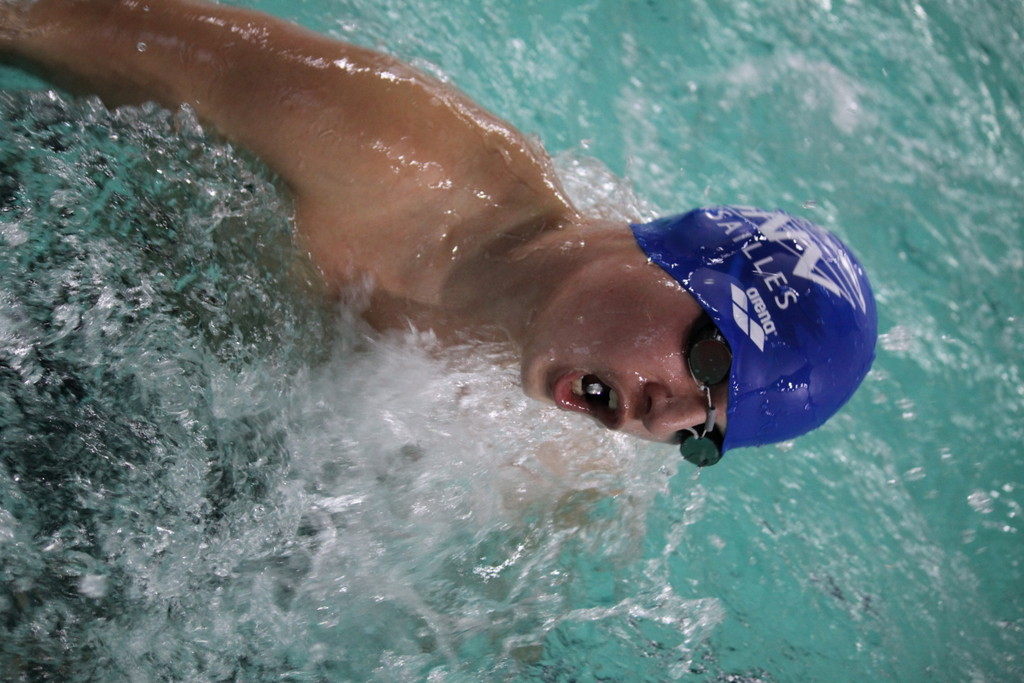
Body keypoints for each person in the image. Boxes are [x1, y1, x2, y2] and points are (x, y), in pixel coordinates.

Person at [0, 0, 876, 466]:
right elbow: (53, 18)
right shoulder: (396, 155)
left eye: (699, 435)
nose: (659, 417)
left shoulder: (547, 478)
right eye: (709, 364)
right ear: (672, 254)